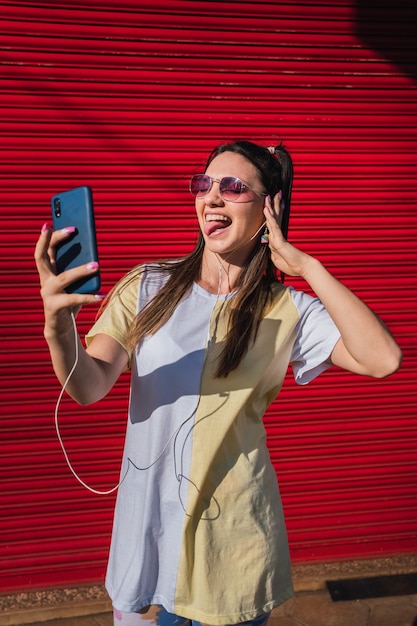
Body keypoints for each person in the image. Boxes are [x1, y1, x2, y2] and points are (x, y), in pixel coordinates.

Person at [35, 140, 402, 626]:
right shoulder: (147, 287)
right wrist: (57, 326)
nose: (212, 197)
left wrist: (308, 267)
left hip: (234, 548)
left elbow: (384, 359)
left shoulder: (285, 308)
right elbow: (88, 386)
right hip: (149, 535)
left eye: (233, 187)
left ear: (271, 207)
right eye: (203, 184)